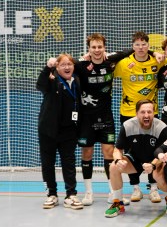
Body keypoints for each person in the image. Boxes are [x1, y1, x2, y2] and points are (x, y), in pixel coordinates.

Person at [75, 33, 131, 207]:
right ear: (89, 49)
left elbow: (130, 51)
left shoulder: (110, 62)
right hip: (86, 119)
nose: (97, 50)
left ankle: (112, 192)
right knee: (87, 154)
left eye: (100, 47)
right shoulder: (81, 65)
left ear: (104, 48)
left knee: (109, 153)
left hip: (106, 117)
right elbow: (64, 65)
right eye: (93, 47)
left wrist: (153, 53)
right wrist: (80, 58)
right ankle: (88, 192)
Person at [113, 31, 164, 203]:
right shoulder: (124, 63)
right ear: (132, 46)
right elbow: (106, 68)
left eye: (144, 44)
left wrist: (157, 54)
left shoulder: (157, 60)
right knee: (130, 152)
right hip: (128, 113)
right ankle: (135, 188)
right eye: (137, 45)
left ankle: (153, 189)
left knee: (153, 151)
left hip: (151, 113)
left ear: (148, 46)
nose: (141, 48)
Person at [105, 99, 167, 218]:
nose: (146, 115)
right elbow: (117, 149)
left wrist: (153, 165)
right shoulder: (127, 125)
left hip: (155, 160)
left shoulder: (161, 127)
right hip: (135, 160)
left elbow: (164, 152)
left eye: (149, 112)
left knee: (163, 172)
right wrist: (118, 160)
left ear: (154, 113)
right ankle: (118, 203)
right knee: (113, 167)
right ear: (136, 113)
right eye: (143, 112)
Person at [37, 53, 84, 210]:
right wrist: (47, 68)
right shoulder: (51, 80)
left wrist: (85, 58)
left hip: (69, 130)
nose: (67, 67)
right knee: (48, 163)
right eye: (63, 65)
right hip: (48, 130)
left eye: (69, 64)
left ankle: (71, 195)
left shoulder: (77, 80)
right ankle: (52, 194)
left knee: (69, 162)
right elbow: (40, 85)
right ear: (57, 68)